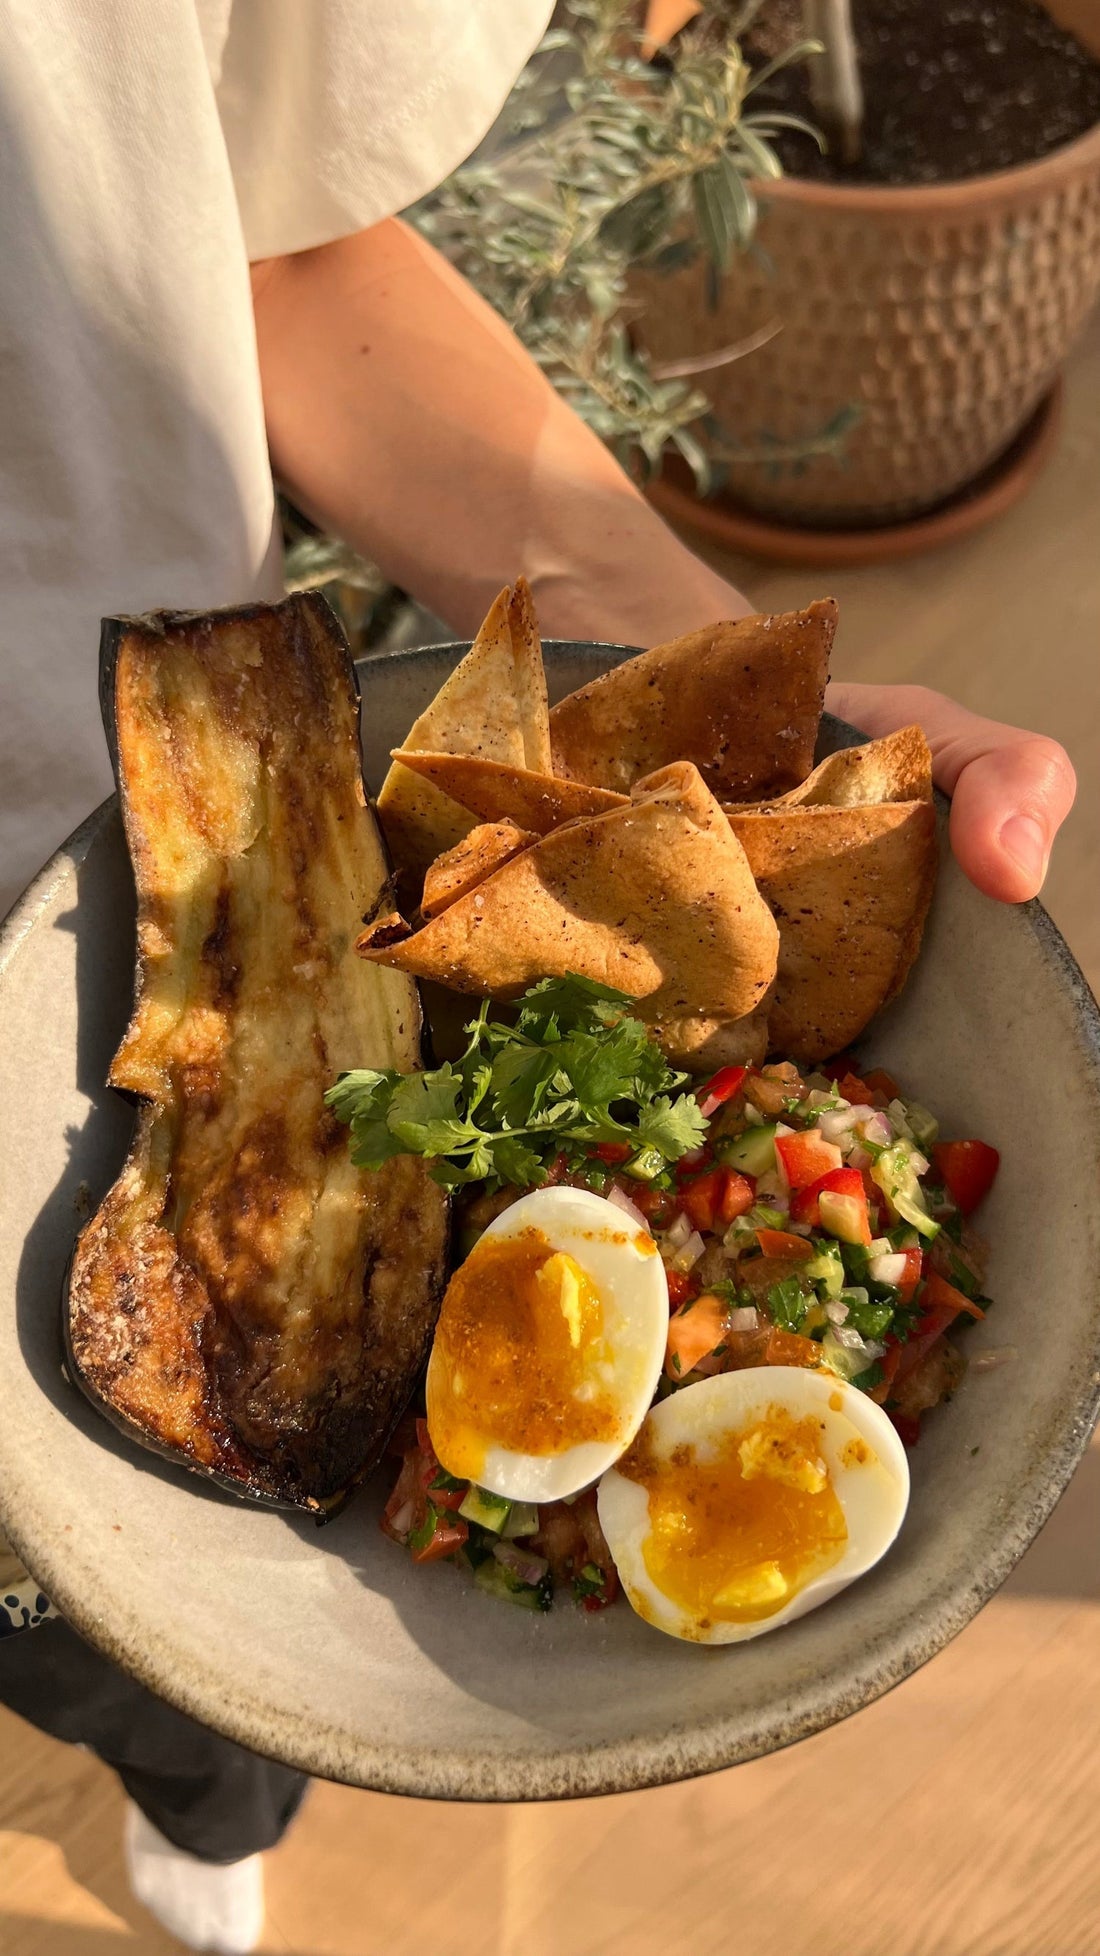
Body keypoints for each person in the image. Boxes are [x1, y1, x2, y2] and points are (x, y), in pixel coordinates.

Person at [0, 4, 1077, 1951]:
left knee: (175, 1683)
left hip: (201, 828)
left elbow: (275, 238)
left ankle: (216, 1805)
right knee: (70, 1631)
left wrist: (724, 738)